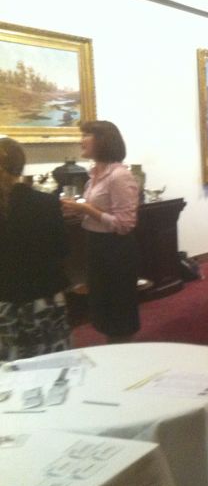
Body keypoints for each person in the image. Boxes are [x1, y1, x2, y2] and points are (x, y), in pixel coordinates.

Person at [61, 121, 140, 343]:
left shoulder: (119, 175)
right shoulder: (95, 174)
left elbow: (125, 225)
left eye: (86, 135)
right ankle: (113, 349)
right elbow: (98, 214)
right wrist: (79, 211)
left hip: (115, 248)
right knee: (103, 306)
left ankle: (124, 352)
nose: (81, 140)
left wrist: (85, 208)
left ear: (103, 141)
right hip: (96, 244)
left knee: (118, 309)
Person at [0, 138, 71, 361]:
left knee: (9, 364)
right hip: (45, 296)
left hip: (5, 299)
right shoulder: (46, 202)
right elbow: (62, 249)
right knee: (51, 360)